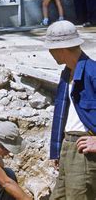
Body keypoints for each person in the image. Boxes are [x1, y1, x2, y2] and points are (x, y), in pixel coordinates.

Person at [44, 20, 96, 199]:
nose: (50, 53)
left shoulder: (93, 73)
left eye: (51, 49)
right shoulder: (67, 73)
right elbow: (61, 113)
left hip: (84, 152)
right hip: (68, 147)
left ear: (61, 49)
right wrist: (57, 149)